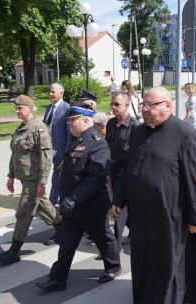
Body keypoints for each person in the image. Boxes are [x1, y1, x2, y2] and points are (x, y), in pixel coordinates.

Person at [111, 87, 196, 303]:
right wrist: (119, 198)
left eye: (150, 105)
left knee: (167, 266)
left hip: (170, 215)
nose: (145, 109)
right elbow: (130, 168)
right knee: (143, 261)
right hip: (142, 213)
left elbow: (195, 179)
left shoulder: (184, 134)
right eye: (143, 105)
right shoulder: (139, 131)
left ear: (168, 105)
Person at [36, 100, 121, 291]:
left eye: (72, 120)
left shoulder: (98, 145)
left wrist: (74, 198)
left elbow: (96, 179)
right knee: (66, 244)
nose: (68, 123)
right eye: (68, 120)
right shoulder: (77, 140)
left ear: (85, 121)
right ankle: (58, 279)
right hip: (71, 207)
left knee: (103, 238)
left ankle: (113, 267)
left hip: (90, 206)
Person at [0, 95, 61, 264]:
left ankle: (14, 250)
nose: (17, 111)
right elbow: (16, 154)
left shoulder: (39, 128)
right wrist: (11, 176)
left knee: (24, 213)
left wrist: (42, 183)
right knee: (41, 206)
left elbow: (46, 157)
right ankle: (62, 228)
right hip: (24, 178)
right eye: (15, 108)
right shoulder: (21, 128)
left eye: (20, 108)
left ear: (30, 108)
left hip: (34, 180)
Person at [106, 92, 140, 251]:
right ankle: (137, 231)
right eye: (112, 104)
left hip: (126, 171)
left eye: (117, 104)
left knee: (118, 205)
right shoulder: (111, 124)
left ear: (127, 105)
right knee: (124, 207)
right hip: (112, 169)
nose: (113, 107)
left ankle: (115, 245)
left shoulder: (135, 127)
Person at [44, 83, 73, 214]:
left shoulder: (67, 108)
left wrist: (66, 152)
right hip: (48, 149)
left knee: (57, 176)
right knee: (51, 175)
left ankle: (52, 202)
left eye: (53, 92)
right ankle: (52, 201)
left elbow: (69, 134)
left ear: (61, 93)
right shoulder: (48, 108)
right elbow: (46, 125)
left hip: (60, 150)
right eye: (50, 92)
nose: (50, 94)